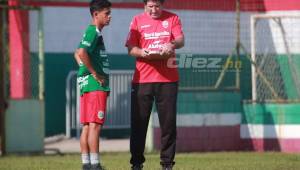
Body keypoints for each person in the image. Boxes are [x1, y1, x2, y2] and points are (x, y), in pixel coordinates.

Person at [125, 0, 184, 170]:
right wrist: (142, 52)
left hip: (168, 80)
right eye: (150, 6)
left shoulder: (173, 18)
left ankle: (167, 164)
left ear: (162, 4)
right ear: (145, 6)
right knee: (139, 123)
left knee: (168, 124)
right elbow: (130, 48)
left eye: (157, 6)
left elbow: (180, 39)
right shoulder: (137, 20)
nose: (154, 10)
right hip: (142, 80)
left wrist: (171, 44)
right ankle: (136, 163)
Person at [74, 0, 112, 170]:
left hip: (86, 84)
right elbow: (81, 52)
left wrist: (83, 67)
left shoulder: (91, 33)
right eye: (106, 13)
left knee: (88, 126)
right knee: (95, 125)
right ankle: (95, 165)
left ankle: (87, 164)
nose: (109, 17)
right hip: (94, 85)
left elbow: (77, 53)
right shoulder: (93, 32)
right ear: (96, 15)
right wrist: (94, 73)